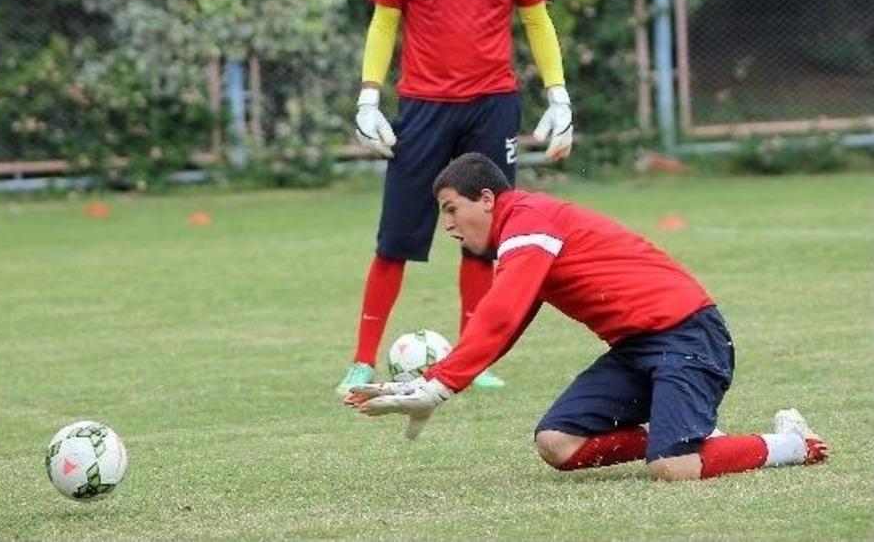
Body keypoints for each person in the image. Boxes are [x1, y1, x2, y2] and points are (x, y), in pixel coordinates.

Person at [346, 152, 829, 481]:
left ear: (487, 199)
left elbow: (499, 313)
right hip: (637, 350)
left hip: (689, 336)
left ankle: (792, 443)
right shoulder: (521, 235)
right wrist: (434, 381)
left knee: (672, 469)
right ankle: (677, 430)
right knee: (556, 444)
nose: (447, 224)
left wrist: (438, 387)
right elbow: (508, 321)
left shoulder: (530, 223)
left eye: (452, 209)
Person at [337, 0, 574, 395]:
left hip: (493, 105)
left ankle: (475, 360)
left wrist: (558, 95)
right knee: (394, 239)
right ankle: (362, 361)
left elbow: (537, 22)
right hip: (422, 107)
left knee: (483, 237)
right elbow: (384, 22)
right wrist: (368, 96)